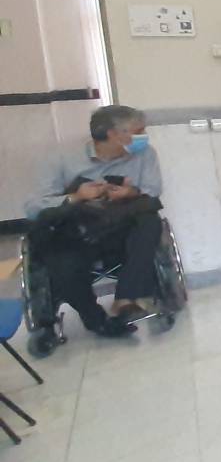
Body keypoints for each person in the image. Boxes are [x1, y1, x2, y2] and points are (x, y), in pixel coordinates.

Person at [24, 105, 165, 336]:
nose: (144, 136)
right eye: (138, 131)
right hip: (76, 232)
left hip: (120, 229)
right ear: (113, 134)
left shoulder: (146, 154)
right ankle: (95, 319)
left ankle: (126, 299)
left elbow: (153, 190)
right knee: (58, 256)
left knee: (149, 220)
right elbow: (33, 208)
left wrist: (130, 192)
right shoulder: (61, 157)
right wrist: (77, 197)